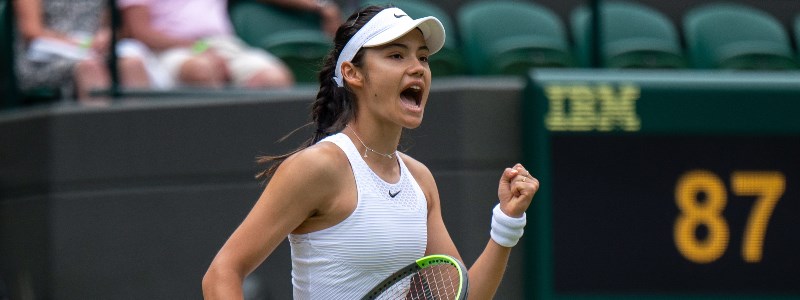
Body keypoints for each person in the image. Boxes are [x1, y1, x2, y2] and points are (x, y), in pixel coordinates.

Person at [202, 5, 539, 299]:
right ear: (353, 73)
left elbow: (461, 296)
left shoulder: (420, 180)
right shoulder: (320, 167)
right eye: (396, 55)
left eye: (422, 57)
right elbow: (222, 273)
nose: (418, 67)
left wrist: (507, 224)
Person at [118, 0, 341, 89]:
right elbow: (140, 31)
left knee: (273, 78)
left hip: (224, 45)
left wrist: (320, 6)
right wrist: (198, 49)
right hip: (167, 50)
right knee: (201, 71)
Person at [13, 0, 151, 102]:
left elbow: (112, 26)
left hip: (92, 51)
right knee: (90, 67)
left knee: (133, 65)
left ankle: (139, 135)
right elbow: (31, 31)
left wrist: (106, 36)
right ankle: (100, 135)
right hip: (42, 60)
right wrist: (81, 44)